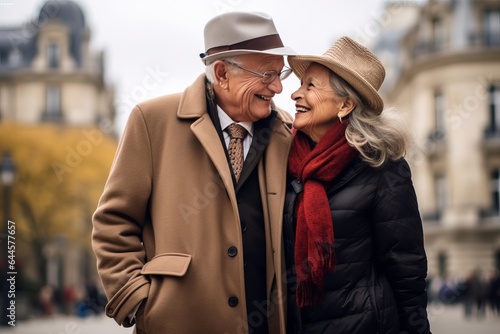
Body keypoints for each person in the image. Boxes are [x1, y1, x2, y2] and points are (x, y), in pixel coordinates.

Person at [92, 11, 296, 334]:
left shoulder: (288, 132)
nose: (277, 88)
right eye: (266, 74)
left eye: (279, 74)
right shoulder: (151, 121)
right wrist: (139, 303)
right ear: (222, 73)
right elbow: (112, 222)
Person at [283, 36, 431, 333]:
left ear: (346, 104)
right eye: (301, 84)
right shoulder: (282, 160)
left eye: (311, 86)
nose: (295, 94)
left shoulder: (382, 167)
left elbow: (405, 266)